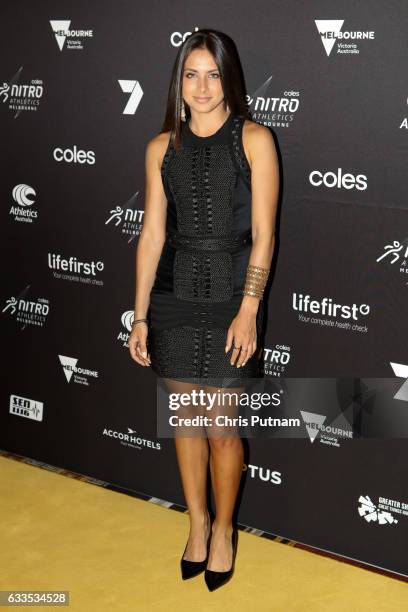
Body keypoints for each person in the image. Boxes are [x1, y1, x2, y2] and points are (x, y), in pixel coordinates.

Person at [129, 29, 279, 591]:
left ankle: (224, 531)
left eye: (212, 74)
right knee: (186, 423)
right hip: (172, 296)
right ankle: (196, 525)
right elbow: (150, 236)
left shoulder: (255, 140)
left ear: (228, 78)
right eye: (191, 74)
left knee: (222, 429)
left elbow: (264, 234)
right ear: (178, 82)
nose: (202, 86)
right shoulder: (160, 148)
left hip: (231, 295)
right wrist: (140, 315)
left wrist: (249, 310)